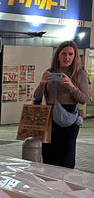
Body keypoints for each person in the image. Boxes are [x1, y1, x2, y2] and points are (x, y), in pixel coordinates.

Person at [33, 40, 89, 169]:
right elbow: (37, 96)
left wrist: (71, 86)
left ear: (75, 56)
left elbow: (83, 99)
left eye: (70, 54)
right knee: (48, 155)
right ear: (58, 55)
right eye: (64, 54)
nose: (67, 57)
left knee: (65, 158)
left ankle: (64, 181)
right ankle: (48, 180)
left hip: (68, 119)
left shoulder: (79, 73)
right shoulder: (51, 71)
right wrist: (42, 83)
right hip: (49, 118)